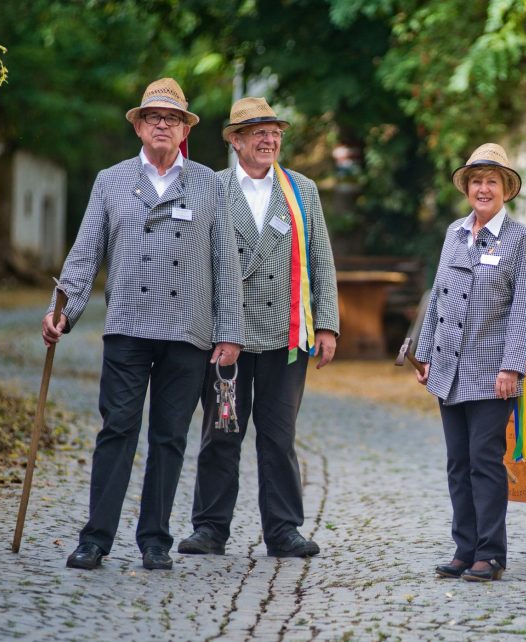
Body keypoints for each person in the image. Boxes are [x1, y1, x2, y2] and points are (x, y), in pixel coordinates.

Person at [43, 78, 244, 571]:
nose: (162, 125)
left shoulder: (208, 183)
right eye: (153, 117)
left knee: (169, 437)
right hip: (128, 326)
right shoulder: (110, 181)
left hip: (187, 331)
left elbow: (225, 262)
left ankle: (155, 539)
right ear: (138, 125)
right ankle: (95, 538)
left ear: (183, 130)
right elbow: (85, 254)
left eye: (171, 119)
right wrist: (61, 311)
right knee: (117, 431)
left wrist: (230, 331)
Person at [176, 97, 339, 559]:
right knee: (221, 431)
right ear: (235, 140)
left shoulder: (301, 189)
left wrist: (326, 325)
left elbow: (321, 260)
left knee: (278, 435)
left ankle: (284, 530)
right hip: (227, 335)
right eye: (258, 133)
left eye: (275, 133)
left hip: (286, 336)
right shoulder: (211, 187)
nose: (269, 141)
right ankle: (209, 527)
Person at [415, 143, 526, 582]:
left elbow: (525, 308)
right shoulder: (453, 232)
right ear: (466, 187)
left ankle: (491, 553)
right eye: (476, 181)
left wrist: (513, 367)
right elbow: (436, 299)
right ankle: (463, 549)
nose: (483, 188)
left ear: (506, 188)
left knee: (484, 461)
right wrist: (424, 352)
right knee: (457, 463)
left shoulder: (520, 238)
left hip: (492, 373)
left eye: (492, 181)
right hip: (448, 368)